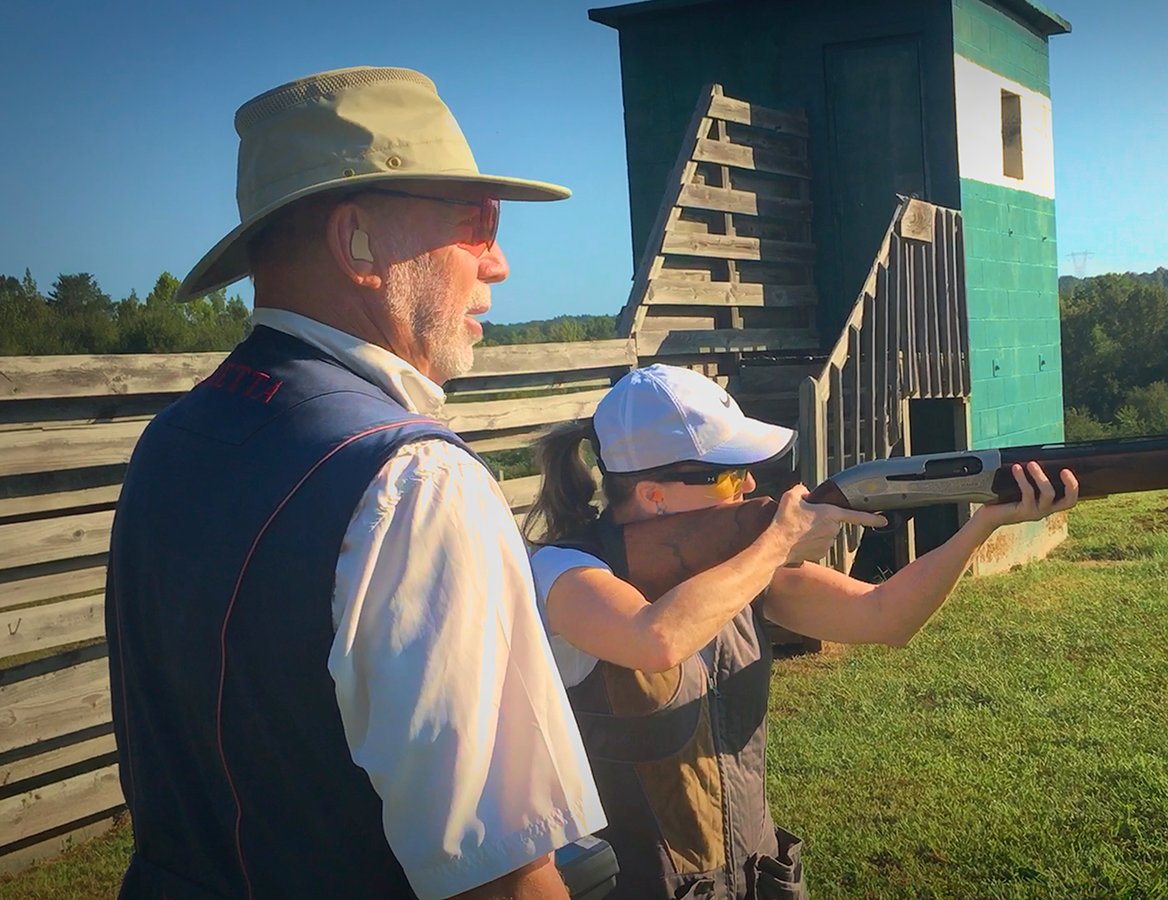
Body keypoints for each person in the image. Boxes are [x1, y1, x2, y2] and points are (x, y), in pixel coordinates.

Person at [106, 66, 605, 899]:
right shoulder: (414, 480)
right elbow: (507, 878)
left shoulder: (174, 437)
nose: (500, 263)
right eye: (476, 222)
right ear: (358, 244)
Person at [522, 364, 1079, 899]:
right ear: (653, 494)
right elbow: (655, 639)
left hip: (757, 875)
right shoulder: (564, 572)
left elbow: (886, 617)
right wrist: (776, 543)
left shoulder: (742, 567)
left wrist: (982, 522)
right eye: (726, 474)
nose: (748, 483)